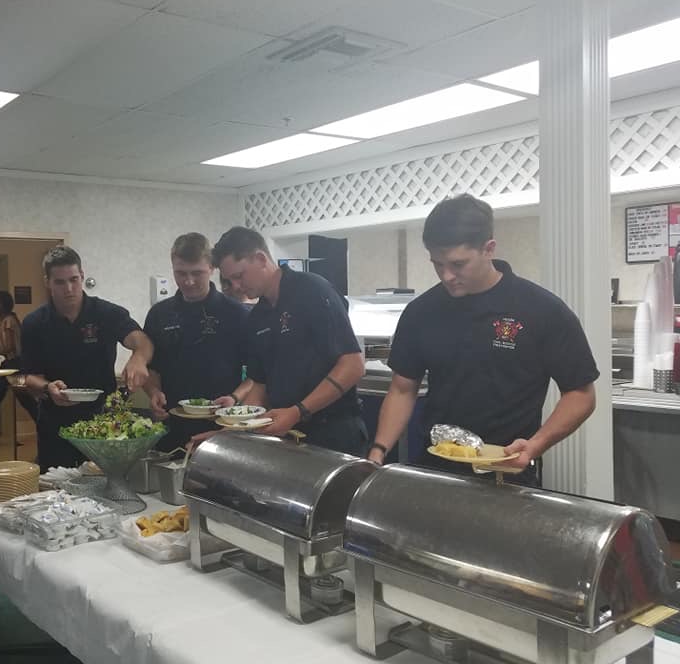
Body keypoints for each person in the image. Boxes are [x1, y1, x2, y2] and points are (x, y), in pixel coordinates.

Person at [366, 194, 599, 486]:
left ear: (489, 249)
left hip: (506, 473)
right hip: (432, 472)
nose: (447, 276)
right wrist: (378, 451)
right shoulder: (422, 312)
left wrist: (536, 444)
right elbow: (402, 389)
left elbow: (581, 394)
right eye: (437, 264)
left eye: (458, 264)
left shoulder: (541, 310)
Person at [210, 227, 368, 454]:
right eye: (229, 280)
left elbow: (353, 366)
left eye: (239, 276)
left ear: (261, 259)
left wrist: (297, 412)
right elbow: (260, 387)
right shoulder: (257, 317)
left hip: (334, 434)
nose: (235, 286)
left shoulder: (312, 290)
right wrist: (233, 432)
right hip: (286, 436)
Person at [17, 246, 153, 470]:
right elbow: (30, 377)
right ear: (47, 282)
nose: (69, 289)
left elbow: (142, 341)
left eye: (73, 279)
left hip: (104, 420)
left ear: (82, 276)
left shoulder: (107, 313)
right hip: (56, 425)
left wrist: (138, 358)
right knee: (57, 493)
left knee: (107, 485)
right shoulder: (35, 323)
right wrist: (47, 386)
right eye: (60, 282)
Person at [142, 233, 250, 450]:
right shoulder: (159, 314)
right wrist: (153, 392)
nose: (188, 281)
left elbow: (257, 375)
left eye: (197, 273)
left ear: (212, 268)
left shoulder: (237, 313)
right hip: (171, 427)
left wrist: (234, 397)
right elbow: (151, 369)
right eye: (180, 273)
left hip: (222, 427)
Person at [0, 290, 38, 448]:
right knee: (26, 401)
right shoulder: (9, 320)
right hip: (13, 364)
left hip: (11, 364)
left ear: (4, 304)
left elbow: (10, 346)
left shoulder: (8, 321)